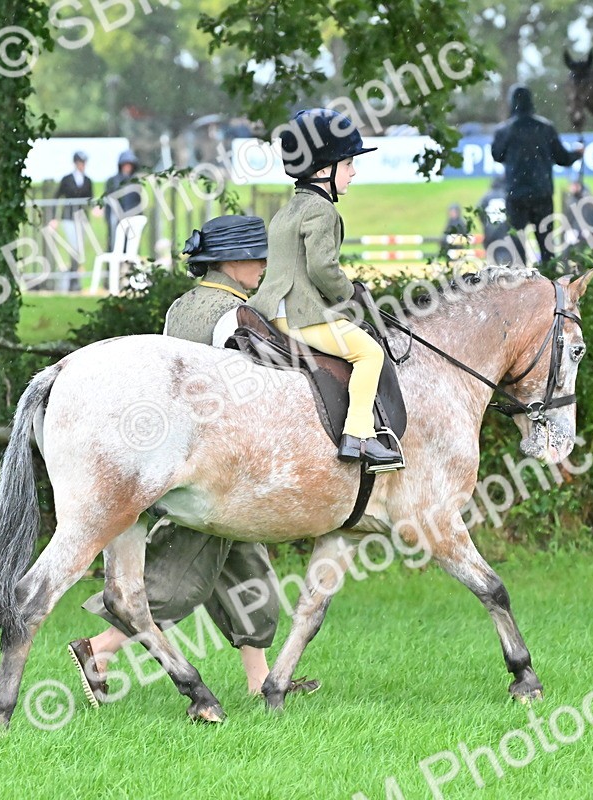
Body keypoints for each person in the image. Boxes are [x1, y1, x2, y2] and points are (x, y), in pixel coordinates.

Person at [67, 215, 320, 706]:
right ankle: (100, 648)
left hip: (188, 457)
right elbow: (247, 388)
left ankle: (259, 680)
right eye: (257, 256)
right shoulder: (233, 317)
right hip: (215, 466)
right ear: (232, 261)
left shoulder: (181, 308)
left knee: (250, 574)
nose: (265, 265)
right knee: (181, 578)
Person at [247, 108, 403, 470]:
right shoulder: (321, 211)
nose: (353, 172)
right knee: (369, 353)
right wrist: (349, 293)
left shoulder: (287, 211)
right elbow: (321, 267)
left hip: (270, 311)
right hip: (301, 315)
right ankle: (358, 435)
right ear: (322, 170)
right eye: (347, 164)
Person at [490, 84, 583, 267]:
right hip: (542, 194)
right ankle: (549, 280)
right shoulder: (546, 127)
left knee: (517, 243)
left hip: (516, 195)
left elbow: (496, 155)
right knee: (546, 244)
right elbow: (562, 158)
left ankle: (521, 280)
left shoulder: (505, 130)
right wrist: (578, 153)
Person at [48, 151, 95, 285]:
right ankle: (73, 277)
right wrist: (53, 218)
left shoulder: (87, 181)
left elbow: (90, 198)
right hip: (68, 216)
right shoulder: (67, 179)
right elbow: (56, 198)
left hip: (82, 218)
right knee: (73, 246)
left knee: (79, 248)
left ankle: (75, 277)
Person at [104, 149, 142, 251]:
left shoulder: (135, 182)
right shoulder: (112, 181)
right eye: (125, 164)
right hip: (116, 218)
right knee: (115, 244)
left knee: (130, 246)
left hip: (131, 218)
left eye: (130, 165)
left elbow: (138, 201)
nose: (127, 167)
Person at [560, 179, 593, 254]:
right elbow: (567, 218)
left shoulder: (589, 202)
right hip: (575, 231)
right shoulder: (571, 201)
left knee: (586, 253)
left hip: (587, 232)